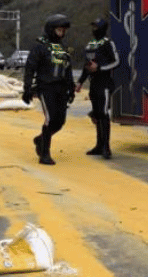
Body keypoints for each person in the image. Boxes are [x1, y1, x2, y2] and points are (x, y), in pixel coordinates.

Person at [22, 14, 75, 165]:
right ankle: (44, 154)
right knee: (50, 119)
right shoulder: (40, 46)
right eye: (59, 30)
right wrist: (27, 89)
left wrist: (71, 88)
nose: (62, 33)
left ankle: (40, 140)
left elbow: (68, 69)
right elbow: (30, 68)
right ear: (51, 29)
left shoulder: (63, 48)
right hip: (45, 87)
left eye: (63, 30)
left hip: (61, 88)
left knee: (60, 122)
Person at [76, 18, 119, 160]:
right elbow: (87, 65)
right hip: (93, 84)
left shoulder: (108, 43)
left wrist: (99, 68)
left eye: (96, 26)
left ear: (102, 27)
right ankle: (99, 145)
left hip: (105, 83)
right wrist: (80, 81)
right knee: (96, 114)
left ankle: (106, 147)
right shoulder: (90, 44)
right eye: (92, 26)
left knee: (103, 113)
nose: (94, 29)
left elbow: (116, 62)